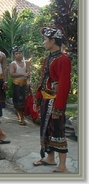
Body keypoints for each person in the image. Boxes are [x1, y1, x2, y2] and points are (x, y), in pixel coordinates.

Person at [32, 27, 71, 173]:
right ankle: (50, 158)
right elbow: (43, 80)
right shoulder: (48, 58)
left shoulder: (63, 60)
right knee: (47, 130)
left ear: (53, 41)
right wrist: (37, 99)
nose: (43, 42)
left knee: (58, 131)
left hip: (55, 102)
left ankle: (62, 165)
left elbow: (64, 86)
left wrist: (58, 108)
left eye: (45, 40)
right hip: (46, 101)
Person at [9, 45, 30, 126]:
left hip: (24, 84)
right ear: (14, 55)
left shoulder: (26, 62)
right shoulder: (13, 64)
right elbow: (11, 74)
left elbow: (28, 73)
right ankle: (20, 116)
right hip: (17, 84)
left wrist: (28, 81)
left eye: (20, 53)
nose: (19, 55)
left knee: (24, 101)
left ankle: (22, 116)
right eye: (17, 53)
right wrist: (22, 73)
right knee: (17, 102)